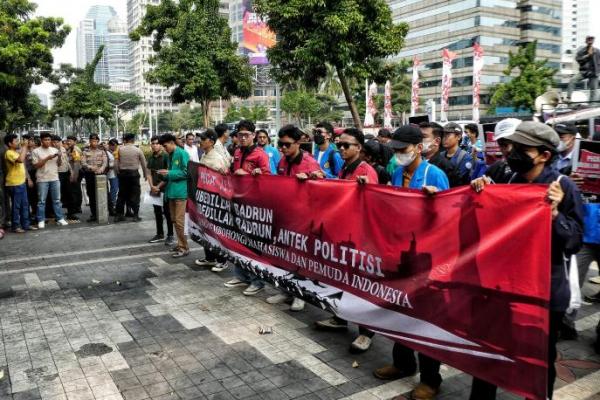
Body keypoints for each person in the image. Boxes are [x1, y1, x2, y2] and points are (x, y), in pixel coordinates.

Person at [469, 121, 584, 400]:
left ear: (544, 155)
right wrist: (480, 194)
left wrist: (554, 215)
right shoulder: (507, 181)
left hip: (544, 291)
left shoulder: (562, 187)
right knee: (489, 352)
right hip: (503, 286)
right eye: (512, 147)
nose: (512, 153)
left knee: (539, 359)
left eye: (522, 149)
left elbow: (574, 242)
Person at [374, 125, 450, 400]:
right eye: (394, 150)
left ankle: (431, 378)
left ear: (419, 148)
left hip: (428, 261)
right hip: (401, 255)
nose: (397, 155)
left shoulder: (435, 174)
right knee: (400, 312)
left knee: (425, 320)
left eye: (402, 150)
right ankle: (403, 363)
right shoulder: (396, 173)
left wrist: (434, 202)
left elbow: (448, 219)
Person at [315, 127, 378, 353]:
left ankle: (366, 332)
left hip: (359, 239)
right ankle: (340, 318)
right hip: (343, 235)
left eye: (346, 145)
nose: (341, 148)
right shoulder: (344, 168)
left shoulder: (365, 171)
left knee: (360, 286)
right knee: (341, 279)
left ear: (359, 148)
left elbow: (370, 202)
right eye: (339, 144)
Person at [265, 125, 323, 311]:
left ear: (298, 143)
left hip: (304, 220)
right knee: (284, 256)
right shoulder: (282, 161)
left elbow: (321, 187)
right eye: (280, 144)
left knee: (300, 259)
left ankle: (301, 294)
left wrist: (310, 179)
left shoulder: (309, 163)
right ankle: (285, 290)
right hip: (285, 217)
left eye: (286, 144)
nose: (282, 148)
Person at [224, 120, 270, 296]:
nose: (242, 138)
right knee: (237, 239)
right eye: (240, 134)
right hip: (237, 202)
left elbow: (270, 179)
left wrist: (252, 174)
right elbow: (234, 173)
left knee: (252, 243)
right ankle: (241, 275)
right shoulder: (236, 152)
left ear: (253, 135)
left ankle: (257, 281)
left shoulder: (260, 155)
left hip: (254, 205)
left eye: (246, 135)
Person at [194, 129, 231, 272]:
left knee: (216, 231)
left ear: (210, 141)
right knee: (205, 228)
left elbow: (223, 179)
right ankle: (209, 257)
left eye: (202, 139)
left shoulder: (217, 158)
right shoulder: (204, 156)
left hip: (215, 201)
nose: (200, 141)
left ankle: (222, 260)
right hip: (204, 199)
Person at [157, 134, 190, 258]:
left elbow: (187, 172)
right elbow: (171, 173)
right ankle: (180, 244)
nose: (165, 149)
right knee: (174, 220)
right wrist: (164, 174)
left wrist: (169, 173)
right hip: (171, 192)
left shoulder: (182, 153)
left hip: (181, 192)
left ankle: (184, 247)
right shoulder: (169, 155)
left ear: (172, 142)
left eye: (165, 146)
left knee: (179, 221)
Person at [31, 132, 68, 228]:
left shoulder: (54, 150)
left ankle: (60, 218)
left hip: (55, 178)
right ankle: (41, 220)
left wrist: (59, 156)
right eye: (45, 140)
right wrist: (48, 158)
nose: (47, 141)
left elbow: (59, 164)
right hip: (42, 179)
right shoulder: (36, 151)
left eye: (49, 140)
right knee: (41, 201)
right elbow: (36, 165)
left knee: (57, 200)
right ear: (41, 140)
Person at [3, 134, 36, 233]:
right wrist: (25, 147)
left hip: (21, 182)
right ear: (9, 143)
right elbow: (21, 160)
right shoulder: (9, 153)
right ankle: (15, 226)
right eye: (16, 141)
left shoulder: (16, 152)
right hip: (14, 183)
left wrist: (24, 147)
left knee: (25, 205)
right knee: (16, 206)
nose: (18, 142)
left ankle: (26, 224)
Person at [147, 136, 175, 246]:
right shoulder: (151, 157)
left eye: (156, 143)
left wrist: (158, 186)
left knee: (167, 212)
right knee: (157, 212)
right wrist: (151, 186)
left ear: (161, 145)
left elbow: (168, 173)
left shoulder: (166, 156)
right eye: (152, 143)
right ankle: (159, 234)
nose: (154, 145)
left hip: (165, 188)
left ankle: (170, 235)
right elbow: (148, 172)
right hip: (154, 189)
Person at [115, 134, 149, 222]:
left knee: (121, 195)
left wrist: (117, 173)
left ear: (125, 140)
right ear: (133, 140)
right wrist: (146, 174)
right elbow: (144, 164)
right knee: (135, 194)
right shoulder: (138, 150)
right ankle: (135, 215)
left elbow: (116, 163)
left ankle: (119, 215)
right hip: (134, 175)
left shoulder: (119, 150)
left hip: (123, 175)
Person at [419, 122, 460, 187]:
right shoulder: (413, 163)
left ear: (437, 141)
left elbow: (453, 194)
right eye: (417, 136)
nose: (418, 140)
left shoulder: (446, 168)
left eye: (423, 137)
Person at [81, 134, 108, 223]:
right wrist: (90, 168)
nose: (94, 143)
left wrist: (101, 169)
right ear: (90, 141)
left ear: (98, 141)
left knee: (103, 194)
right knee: (91, 195)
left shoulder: (102, 151)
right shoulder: (85, 152)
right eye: (92, 141)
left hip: (100, 175)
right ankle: (94, 214)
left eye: (96, 141)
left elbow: (105, 162)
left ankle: (103, 213)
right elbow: (83, 163)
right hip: (90, 175)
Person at [484, 118, 518, 184]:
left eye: (514, 143)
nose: (509, 149)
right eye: (502, 144)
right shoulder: (495, 169)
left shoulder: (535, 169)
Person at [567, 35, 600, 102]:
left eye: (591, 39)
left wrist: (598, 71)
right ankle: (568, 98)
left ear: (593, 41)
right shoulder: (581, 51)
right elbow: (578, 59)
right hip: (584, 72)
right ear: (586, 41)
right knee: (572, 80)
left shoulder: (597, 51)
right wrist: (588, 56)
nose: (590, 40)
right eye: (589, 39)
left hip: (593, 72)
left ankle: (592, 104)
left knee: (593, 89)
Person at [52, 135, 73, 222]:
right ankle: (57, 215)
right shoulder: (52, 151)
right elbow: (58, 164)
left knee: (68, 194)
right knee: (58, 196)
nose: (56, 143)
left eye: (57, 142)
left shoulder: (63, 149)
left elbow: (67, 161)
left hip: (66, 173)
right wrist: (59, 156)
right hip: (57, 174)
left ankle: (70, 213)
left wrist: (71, 171)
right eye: (54, 142)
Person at [65, 136, 83, 221]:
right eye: (68, 141)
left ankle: (77, 208)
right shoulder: (69, 149)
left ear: (75, 142)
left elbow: (76, 164)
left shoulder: (75, 150)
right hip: (73, 172)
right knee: (74, 191)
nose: (68, 142)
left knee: (75, 191)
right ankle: (76, 207)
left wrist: (75, 176)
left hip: (76, 172)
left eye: (70, 141)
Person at [106, 139, 119, 216]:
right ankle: (112, 204)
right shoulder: (106, 152)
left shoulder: (117, 151)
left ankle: (112, 203)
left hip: (114, 173)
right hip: (109, 173)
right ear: (110, 145)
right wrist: (112, 165)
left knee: (114, 189)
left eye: (116, 145)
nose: (115, 147)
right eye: (113, 145)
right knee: (113, 189)